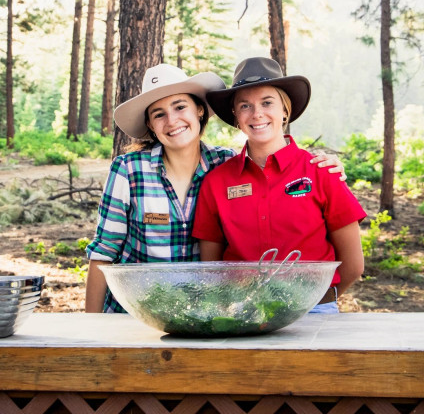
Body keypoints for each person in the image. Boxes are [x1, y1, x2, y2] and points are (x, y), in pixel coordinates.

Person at [85, 63, 346, 313]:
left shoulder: (223, 164)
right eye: (159, 114)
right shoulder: (128, 170)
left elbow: (268, 171)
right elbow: (103, 252)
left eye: (179, 107)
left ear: (199, 110)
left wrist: (324, 167)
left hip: (200, 313)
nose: (172, 120)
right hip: (135, 311)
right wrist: (93, 329)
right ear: (151, 126)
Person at [192, 57, 366, 313]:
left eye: (267, 102)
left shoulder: (320, 172)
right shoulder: (217, 182)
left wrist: (319, 302)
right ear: (236, 117)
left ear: (285, 110)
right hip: (242, 312)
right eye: (245, 106)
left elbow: (353, 265)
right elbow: (212, 267)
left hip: (313, 312)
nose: (257, 113)